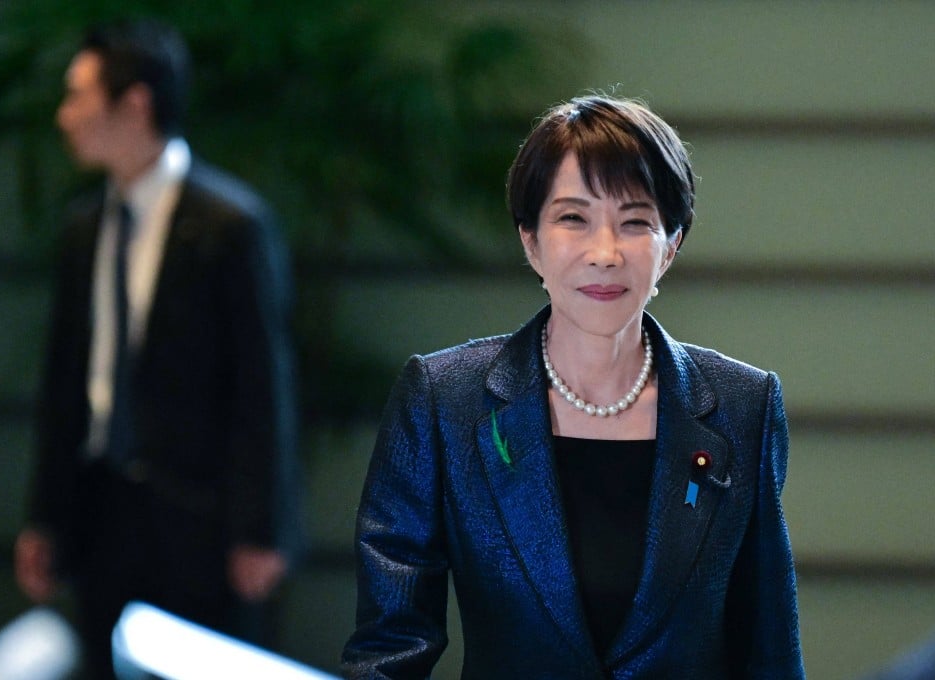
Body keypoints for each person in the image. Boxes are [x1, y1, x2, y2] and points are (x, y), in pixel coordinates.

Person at [341, 94, 804, 679]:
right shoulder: (444, 399)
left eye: (635, 222)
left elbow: (768, 652)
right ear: (530, 240)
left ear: (671, 246)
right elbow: (389, 647)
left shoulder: (743, 406)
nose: (605, 253)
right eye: (572, 218)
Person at [12, 18, 302, 679]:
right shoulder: (84, 227)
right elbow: (65, 381)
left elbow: (265, 386)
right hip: (102, 507)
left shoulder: (233, 225)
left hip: (202, 520)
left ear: (134, 103)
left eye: (78, 96)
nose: (65, 116)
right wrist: (45, 517)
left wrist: (260, 530)